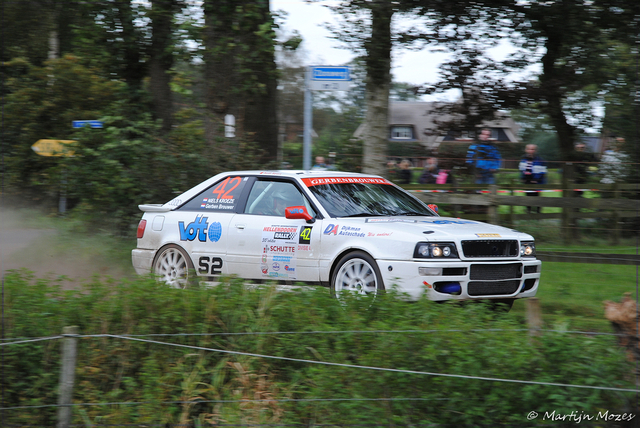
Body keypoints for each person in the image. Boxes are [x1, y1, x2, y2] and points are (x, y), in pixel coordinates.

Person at [519, 144, 547, 213]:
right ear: (526, 150)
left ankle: (537, 213)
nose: (530, 151)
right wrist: (523, 178)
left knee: (537, 198)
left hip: (537, 182)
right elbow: (521, 170)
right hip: (527, 182)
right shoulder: (523, 159)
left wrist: (535, 180)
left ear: (535, 150)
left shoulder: (540, 160)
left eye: (532, 149)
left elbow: (542, 171)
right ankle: (528, 212)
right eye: (529, 149)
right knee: (527, 198)